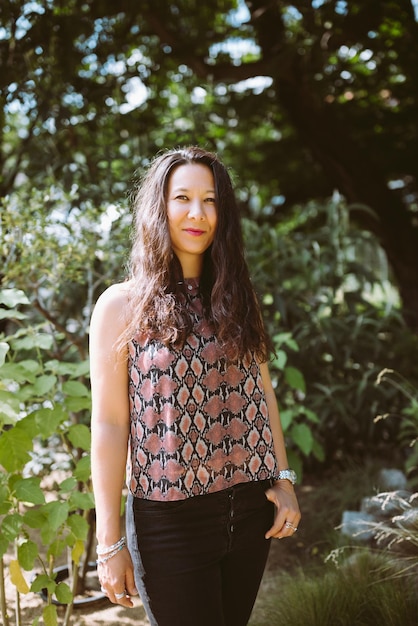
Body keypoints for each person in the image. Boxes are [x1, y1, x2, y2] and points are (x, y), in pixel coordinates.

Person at [90, 146, 301, 626]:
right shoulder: (120, 306)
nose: (197, 213)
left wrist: (283, 481)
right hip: (169, 522)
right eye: (182, 197)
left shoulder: (238, 296)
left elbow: (263, 393)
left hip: (250, 510)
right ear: (158, 208)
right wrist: (110, 542)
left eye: (210, 200)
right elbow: (107, 423)